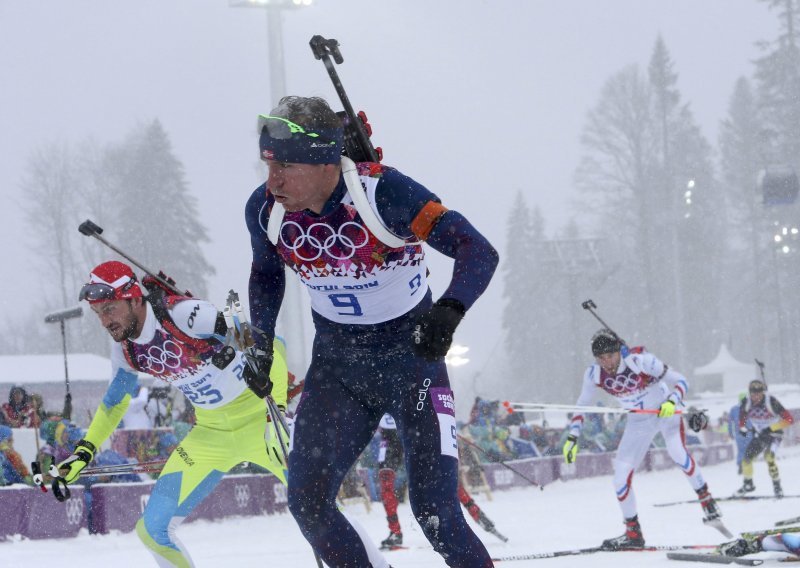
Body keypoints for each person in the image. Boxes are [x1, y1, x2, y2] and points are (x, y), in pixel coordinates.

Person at [246, 96, 499, 567]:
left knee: (437, 514)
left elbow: (476, 249)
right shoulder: (266, 211)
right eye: (268, 165)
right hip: (338, 371)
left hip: (411, 365)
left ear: (325, 162)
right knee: (308, 504)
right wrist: (261, 342)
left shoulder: (384, 193)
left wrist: (448, 311)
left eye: (286, 166)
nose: (272, 180)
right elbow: (265, 274)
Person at [59, 260, 291, 567]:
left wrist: (277, 414)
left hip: (260, 419)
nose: (104, 321)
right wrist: (84, 451)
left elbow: (272, 344)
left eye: (110, 308)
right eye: (98, 312)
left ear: (133, 297)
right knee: (152, 530)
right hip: (211, 435)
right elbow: (114, 403)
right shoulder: (125, 349)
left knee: (316, 507)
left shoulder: (183, 315)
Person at [562, 329, 722, 550]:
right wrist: (572, 437)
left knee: (677, 452)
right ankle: (633, 533)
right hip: (639, 421)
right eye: (600, 358)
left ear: (619, 351)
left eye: (610, 356)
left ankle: (707, 500)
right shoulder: (593, 374)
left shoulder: (642, 362)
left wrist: (672, 401)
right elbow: (581, 405)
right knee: (619, 478)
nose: (606, 362)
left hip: (665, 413)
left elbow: (681, 381)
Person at [735, 379, 794, 497]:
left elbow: (789, 419)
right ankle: (748, 484)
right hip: (761, 435)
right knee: (747, 457)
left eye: (758, 393)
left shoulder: (771, 402)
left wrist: (771, 428)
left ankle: (777, 486)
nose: (755, 396)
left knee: (769, 457)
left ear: (763, 392)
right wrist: (743, 428)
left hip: (775, 434)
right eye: (753, 393)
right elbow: (743, 417)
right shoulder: (746, 402)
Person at [719, 532, 800, 558]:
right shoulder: (795, 543)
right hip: (761, 543)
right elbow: (782, 536)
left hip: (762, 544)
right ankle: (725, 550)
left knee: (750, 547)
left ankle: (729, 549)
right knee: (747, 546)